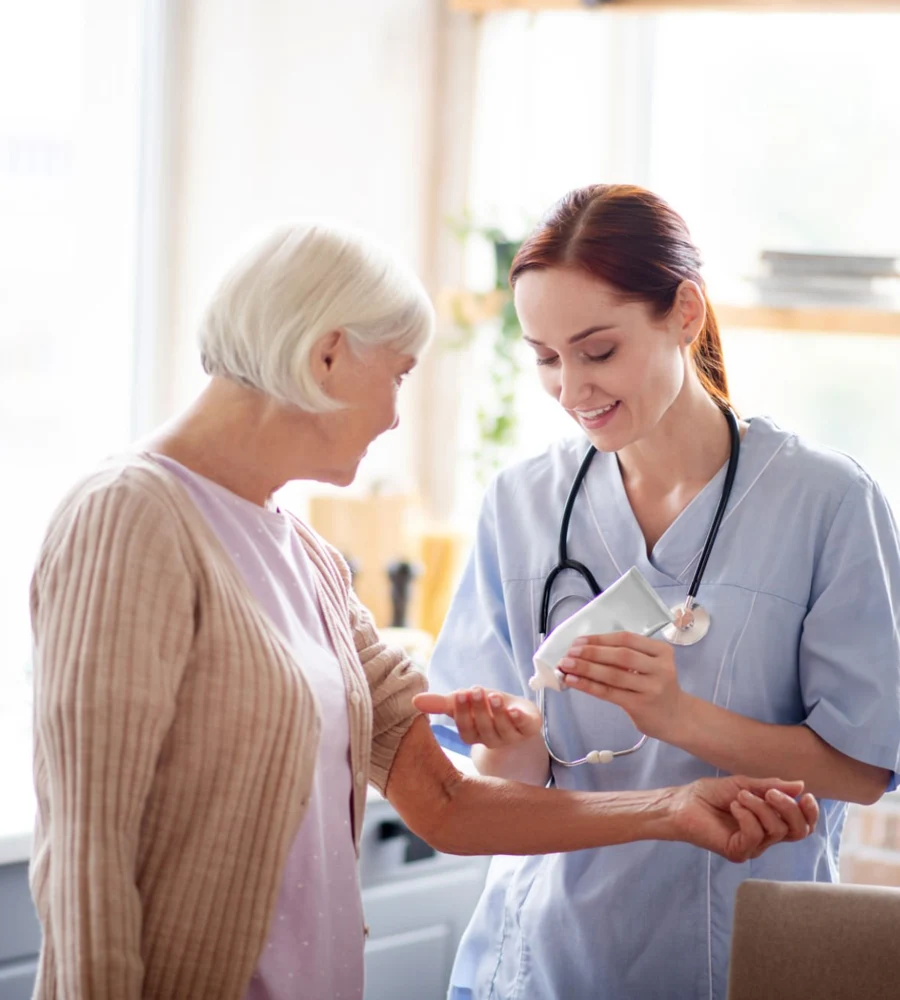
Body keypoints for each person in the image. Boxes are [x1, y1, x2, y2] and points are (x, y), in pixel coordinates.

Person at [28, 220, 816, 1000]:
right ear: (328, 352)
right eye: (399, 373)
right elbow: (89, 852)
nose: (397, 416)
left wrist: (672, 807)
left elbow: (446, 803)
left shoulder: (306, 561)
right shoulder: (130, 516)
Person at [417, 184, 900, 1000]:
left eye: (597, 351)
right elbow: (505, 785)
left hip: (736, 956)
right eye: (543, 357)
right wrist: (510, 730)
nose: (570, 390)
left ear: (684, 312)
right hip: (542, 960)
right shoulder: (522, 502)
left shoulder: (826, 502)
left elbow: (863, 769)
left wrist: (679, 718)